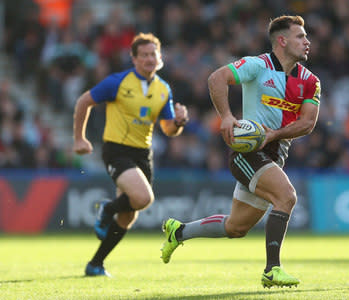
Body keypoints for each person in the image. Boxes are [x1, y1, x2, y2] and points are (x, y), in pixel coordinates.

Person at [161, 15, 320, 288]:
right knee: (287, 196)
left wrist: (275, 134)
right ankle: (273, 269)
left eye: (306, 36)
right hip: (248, 152)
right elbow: (217, 78)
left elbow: (307, 123)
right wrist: (226, 116)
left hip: (274, 155)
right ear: (282, 41)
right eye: (300, 36)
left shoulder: (310, 81)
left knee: (236, 227)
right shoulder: (258, 66)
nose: (307, 41)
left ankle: (179, 231)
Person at [73, 32, 189, 277]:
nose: (149, 59)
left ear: (160, 58)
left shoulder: (163, 88)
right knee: (143, 198)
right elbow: (84, 101)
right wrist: (79, 138)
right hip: (116, 150)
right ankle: (106, 208)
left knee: (128, 216)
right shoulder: (118, 82)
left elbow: (168, 129)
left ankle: (96, 264)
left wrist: (178, 122)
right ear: (134, 59)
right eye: (144, 54)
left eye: (153, 54)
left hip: (143, 154)